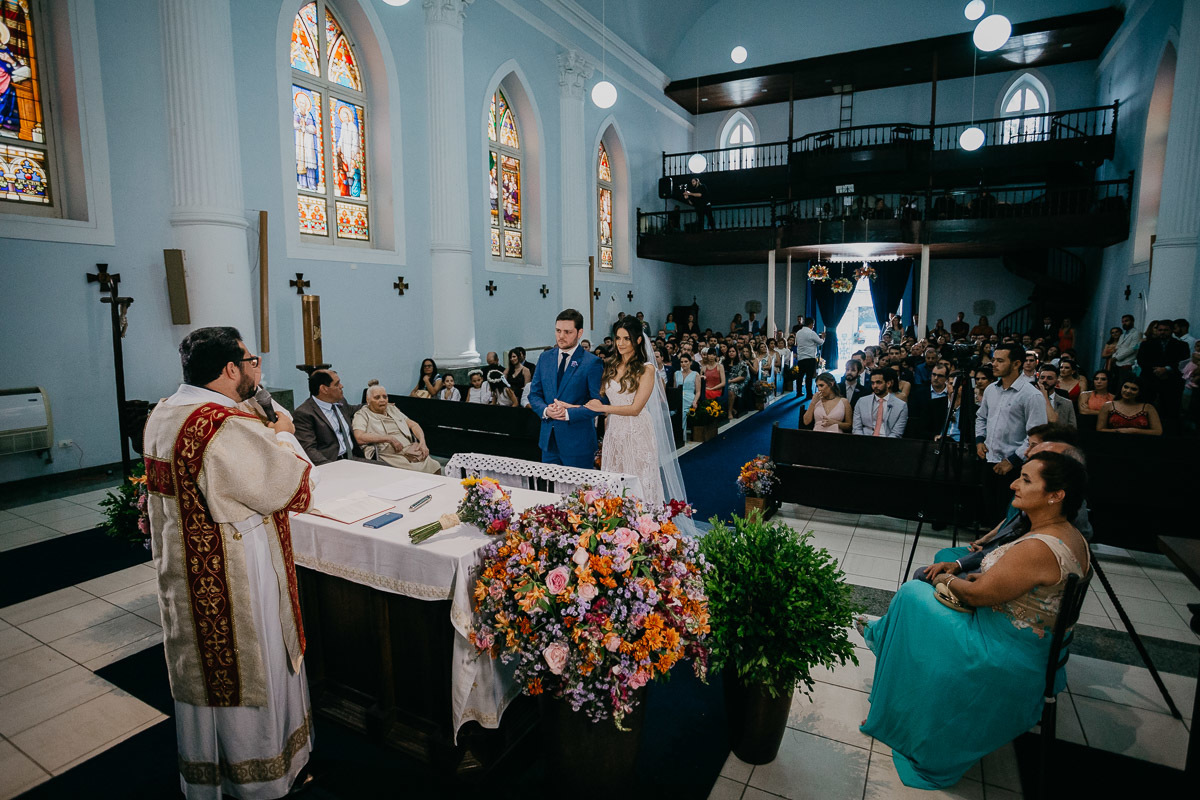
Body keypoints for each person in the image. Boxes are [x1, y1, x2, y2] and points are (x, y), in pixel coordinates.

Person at [143, 327, 317, 800]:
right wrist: (283, 435)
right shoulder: (218, 424)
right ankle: (260, 777)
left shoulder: (165, 411)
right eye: (250, 361)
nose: (255, 369)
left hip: (185, 568)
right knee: (252, 663)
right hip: (235, 568)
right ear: (229, 369)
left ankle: (211, 775)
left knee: (203, 672)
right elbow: (293, 487)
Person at [860, 451, 1090, 790]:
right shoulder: (1068, 533)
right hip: (1028, 642)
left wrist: (945, 579)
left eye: (1026, 480)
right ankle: (886, 641)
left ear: (1056, 495)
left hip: (1000, 650)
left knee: (911, 595)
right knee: (914, 600)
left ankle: (890, 668)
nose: (1013, 484)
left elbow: (978, 595)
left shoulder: (1039, 547)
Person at [584, 318, 689, 512]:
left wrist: (604, 409)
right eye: (618, 338)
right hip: (614, 429)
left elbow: (635, 409)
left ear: (638, 340)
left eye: (627, 338)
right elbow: (597, 398)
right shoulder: (611, 365)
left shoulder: (646, 368)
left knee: (639, 479)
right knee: (614, 479)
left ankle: (645, 523)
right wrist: (570, 406)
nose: (621, 343)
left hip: (637, 430)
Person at [976, 343, 1048, 518]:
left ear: (1016, 364)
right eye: (994, 360)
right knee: (991, 511)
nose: (994, 364)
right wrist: (979, 440)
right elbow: (981, 417)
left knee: (1009, 516)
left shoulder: (1031, 395)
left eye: (1000, 361)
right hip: (989, 459)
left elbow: (1037, 435)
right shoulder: (991, 390)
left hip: (1015, 465)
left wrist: (1013, 460)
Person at [528, 309, 604, 468]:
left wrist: (568, 413)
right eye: (558, 331)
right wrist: (546, 410)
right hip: (549, 441)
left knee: (579, 485)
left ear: (579, 332)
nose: (561, 336)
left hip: (578, 443)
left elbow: (599, 404)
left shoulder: (591, 362)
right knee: (550, 484)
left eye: (567, 332)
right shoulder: (545, 358)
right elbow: (534, 394)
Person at [352, 383, 441, 473]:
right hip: (387, 454)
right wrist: (389, 438)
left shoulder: (392, 409)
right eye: (377, 397)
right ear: (368, 400)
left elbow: (414, 425)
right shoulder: (362, 414)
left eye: (385, 397)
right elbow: (359, 437)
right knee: (416, 471)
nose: (382, 400)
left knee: (435, 465)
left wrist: (422, 442)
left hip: (409, 449)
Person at [293, 369, 365, 464]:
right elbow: (308, 450)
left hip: (353, 458)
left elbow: (352, 409)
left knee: (385, 469)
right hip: (331, 463)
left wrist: (373, 404)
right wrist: (330, 467)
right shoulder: (304, 413)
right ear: (324, 389)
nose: (341, 386)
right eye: (337, 384)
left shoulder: (340, 401)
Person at [1136, 319, 1188, 424]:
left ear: (1171, 330)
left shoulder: (1181, 345)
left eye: (1165, 330)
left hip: (1172, 381)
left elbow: (1183, 362)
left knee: (1170, 411)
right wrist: (1157, 370)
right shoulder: (1146, 344)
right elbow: (1141, 360)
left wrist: (1167, 369)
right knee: (1146, 407)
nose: (1162, 332)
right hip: (1150, 379)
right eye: (1160, 330)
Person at [1095, 377, 1163, 435]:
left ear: (1140, 392)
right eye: (1126, 387)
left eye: (1133, 389)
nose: (1128, 391)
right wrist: (1118, 431)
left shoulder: (1148, 407)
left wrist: (1134, 431)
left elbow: (1158, 431)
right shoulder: (1108, 405)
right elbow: (1100, 429)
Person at [852, 368, 908, 437]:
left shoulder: (901, 405)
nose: (875, 386)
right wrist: (862, 440)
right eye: (872, 383)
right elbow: (857, 428)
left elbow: (897, 433)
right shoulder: (861, 402)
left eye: (878, 382)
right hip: (864, 439)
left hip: (888, 440)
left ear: (888, 384)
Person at [1037, 364, 1077, 430]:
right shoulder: (1030, 399)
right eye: (1042, 377)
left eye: (1049, 378)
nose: (1044, 380)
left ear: (1057, 381)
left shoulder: (1067, 403)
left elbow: (1072, 428)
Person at [793, 317, 823, 398]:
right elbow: (820, 342)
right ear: (811, 324)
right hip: (810, 357)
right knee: (809, 377)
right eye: (813, 325)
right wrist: (823, 337)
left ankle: (798, 392)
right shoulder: (811, 333)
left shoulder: (798, 332)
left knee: (800, 376)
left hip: (801, 357)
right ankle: (809, 394)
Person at [675, 352, 701, 438]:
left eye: (686, 361)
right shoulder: (676, 374)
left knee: (682, 412)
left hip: (689, 398)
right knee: (673, 412)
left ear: (690, 362)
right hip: (678, 397)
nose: (683, 364)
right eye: (681, 362)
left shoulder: (695, 374)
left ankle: (681, 437)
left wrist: (695, 401)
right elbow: (674, 389)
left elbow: (698, 391)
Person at [1112, 313, 1141, 383]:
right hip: (1117, 363)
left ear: (1132, 321)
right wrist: (1114, 356)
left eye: (1126, 321)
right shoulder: (1122, 335)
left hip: (1127, 363)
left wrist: (1117, 357)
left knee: (1123, 383)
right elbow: (1117, 347)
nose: (1124, 323)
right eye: (1123, 321)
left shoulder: (1136, 333)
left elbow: (1133, 348)